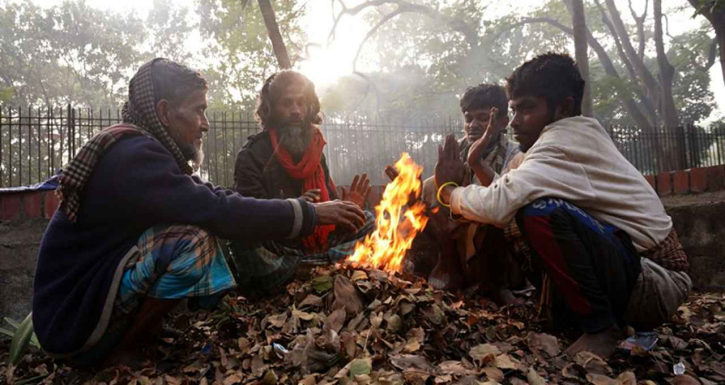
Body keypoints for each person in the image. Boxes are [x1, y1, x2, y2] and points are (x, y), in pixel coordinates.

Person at [32, 58, 365, 367]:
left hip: (85, 303)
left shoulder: (146, 151)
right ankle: (121, 351)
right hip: (72, 322)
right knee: (195, 240)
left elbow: (210, 196)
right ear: (164, 111)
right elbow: (217, 209)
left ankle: (135, 336)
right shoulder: (134, 156)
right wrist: (310, 213)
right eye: (199, 111)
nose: (205, 124)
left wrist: (322, 210)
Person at [434, 52, 691, 358]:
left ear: (564, 107)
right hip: (635, 274)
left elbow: (498, 203)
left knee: (540, 213)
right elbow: (507, 191)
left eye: (527, 108)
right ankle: (586, 319)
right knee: (524, 211)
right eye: (514, 110)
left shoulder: (560, 144)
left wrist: (448, 191)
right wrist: (474, 166)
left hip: (655, 283)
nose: (515, 121)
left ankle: (602, 330)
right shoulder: (563, 139)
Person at [230, 70, 375, 292]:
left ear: (310, 108)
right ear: (271, 110)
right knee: (242, 240)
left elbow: (330, 210)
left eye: (301, 103)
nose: (296, 111)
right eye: (287, 103)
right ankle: (328, 267)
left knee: (367, 221)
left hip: (318, 248)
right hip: (280, 250)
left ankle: (311, 268)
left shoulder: (317, 150)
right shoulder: (252, 155)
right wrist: (298, 209)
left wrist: (349, 209)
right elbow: (251, 217)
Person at [385, 84, 523, 296]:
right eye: (469, 119)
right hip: (455, 239)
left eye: (483, 118)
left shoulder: (515, 155)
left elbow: (501, 201)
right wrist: (411, 194)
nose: (473, 125)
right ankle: (435, 272)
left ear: (503, 123)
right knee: (415, 209)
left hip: (497, 247)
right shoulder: (456, 150)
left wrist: (453, 189)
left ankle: (492, 287)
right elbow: (436, 190)